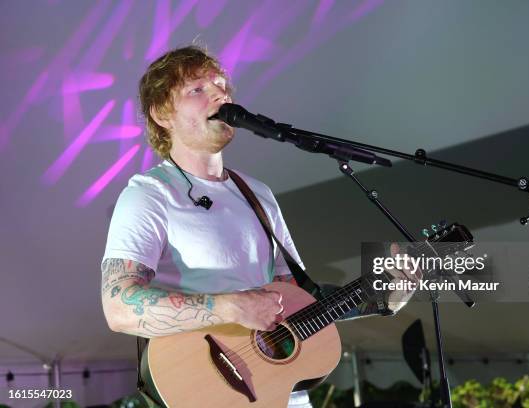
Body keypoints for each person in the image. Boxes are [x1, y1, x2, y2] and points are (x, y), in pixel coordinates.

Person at [101, 45, 418, 408]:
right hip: (205, 391)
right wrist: (228, 308)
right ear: (161, 113)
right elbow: (119, 307)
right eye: (197, 89)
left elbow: (297, 302)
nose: (219, 94)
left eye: (222, 87)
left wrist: (383, 297)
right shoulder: (149, 194)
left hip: (284, 394)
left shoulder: (258, 194)